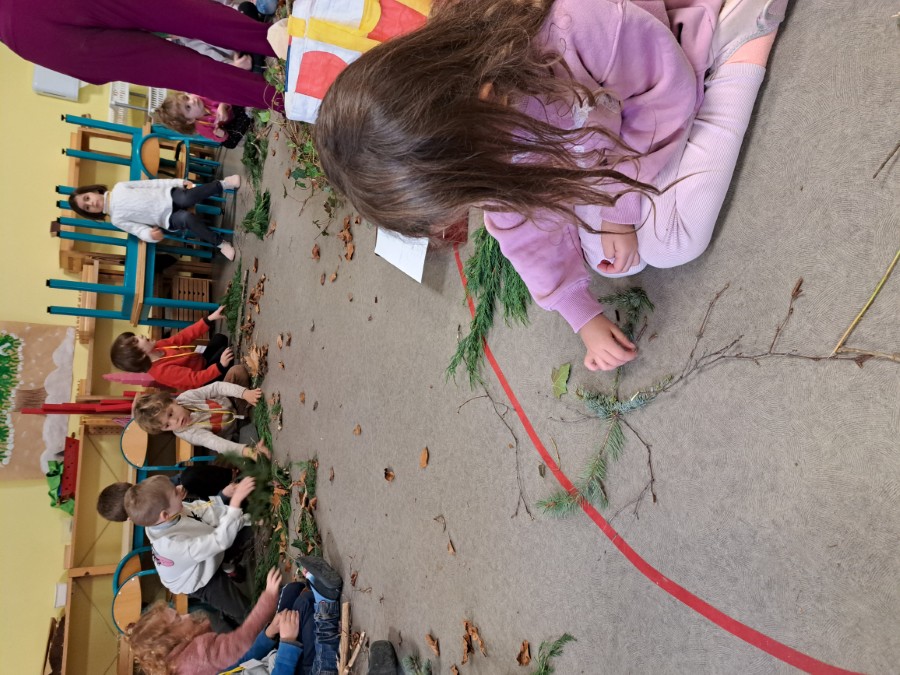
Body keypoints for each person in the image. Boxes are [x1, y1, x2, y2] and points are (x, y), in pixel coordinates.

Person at [312, 0, 790, 372]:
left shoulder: (576, 28)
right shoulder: (477, 130)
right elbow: (519, 228)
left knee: (671, 241)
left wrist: (618, 211)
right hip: (602, 136)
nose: (476, 211)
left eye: (467, 197)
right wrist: (579, 311)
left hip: (664, 65)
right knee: (617, 256)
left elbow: (666, 94)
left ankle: (742, 49)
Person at [0, 0, 282, 110]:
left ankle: (288, 101)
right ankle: (294, 48)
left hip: (23, 38)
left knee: (183, 70)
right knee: (186, 15)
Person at [124, 475, 258, 625]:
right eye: (174, 492)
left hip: (204, 549)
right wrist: (234, 505)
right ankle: (265, 631)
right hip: (198, 580)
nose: (180, 488)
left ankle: (227, 563)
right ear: (165, 515)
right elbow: (219, 541)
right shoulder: (173, 546)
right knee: (242, 610)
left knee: (245, 529)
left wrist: (247, 518)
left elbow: (204, 511)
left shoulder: (169, 513)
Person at [126, 567, 283, 675]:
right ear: (170, 639)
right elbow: (243, 641)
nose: (186, 615)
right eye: (178, 618)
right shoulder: (201, 653)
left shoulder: (172, 665)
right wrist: (268, 597)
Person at [68, 175, 241, 259]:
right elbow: (138, 230)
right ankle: (220, 243)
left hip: (169, 196)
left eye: (87, 198)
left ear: (91, 191)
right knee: (187, 220)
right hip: (166, 218)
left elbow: (151, 184)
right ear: (91, 213)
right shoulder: (116, 219)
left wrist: (177, 182)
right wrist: (150, 236)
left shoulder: (120, 187)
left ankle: (224, 184)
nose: (92, 203)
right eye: (87, 207)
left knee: (188, 197)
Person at [224, 556, 343, 675]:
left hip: (277, 660)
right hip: (289, 665)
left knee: (291, 591)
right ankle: (325, 603)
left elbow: (243, 661)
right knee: (304, 604)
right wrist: (288, 642)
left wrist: (269, 633)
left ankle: (315, 594)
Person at [110, 306, 247, 391]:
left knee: (220, 338)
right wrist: (220, 366)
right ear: (140, 356)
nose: (140, 336)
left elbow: (182, 337)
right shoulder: (161, 372)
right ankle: (225, 382)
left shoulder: (157, 346)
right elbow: (195, 379)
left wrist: (209, 319)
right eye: (136, 340)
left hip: (200, 361)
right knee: (227, 354)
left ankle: (222, 367)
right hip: (203, 380)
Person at [131, 383, 271, 458]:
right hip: (234, 430)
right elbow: (216, 443)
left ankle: (247, 403)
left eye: (171, 414)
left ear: (173, 401)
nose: (175, 422)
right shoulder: (188, 433)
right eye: (167, 425)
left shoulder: (186, 397)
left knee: (236, 372)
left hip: (233, 403)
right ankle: (249, 435)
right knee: (241, 449)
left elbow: (216, 387)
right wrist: (247, 452)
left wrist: (244, 393)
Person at [97, 468, 235, 521]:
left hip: (208, 500)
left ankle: (231, 476)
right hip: (211, 513)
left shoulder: (155, 487)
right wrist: (223, 496)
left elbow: (179, 479)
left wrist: (180, 487)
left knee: (189, 476)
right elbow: (202, 513)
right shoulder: (171, 524)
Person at [153, 93, 253, 149]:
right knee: (229, 143)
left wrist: (223, 105)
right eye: (188, 107)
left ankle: (247, 113)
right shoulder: (201, 128)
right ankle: (247, 119)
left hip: (232, 106)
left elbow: (224, 93)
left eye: (187, 98)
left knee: (235, 97)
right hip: (231, 123)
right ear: (190, 120)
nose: (192, 101)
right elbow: (218, 137)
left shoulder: (202, 96)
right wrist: (221, 134)